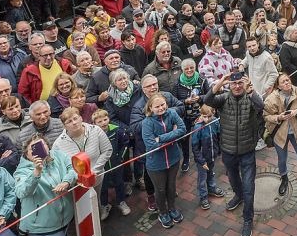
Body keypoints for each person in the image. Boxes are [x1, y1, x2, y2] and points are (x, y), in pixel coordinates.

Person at [204, 73, 263, 236]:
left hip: (247, 150)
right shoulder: (223, 99)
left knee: (249, 186)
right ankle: (238, 195)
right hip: (228, 150)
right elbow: (208, 100)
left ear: (245, 84)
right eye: (234, 83)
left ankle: (247, 220)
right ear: (229, 85)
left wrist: (251, 92)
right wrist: (221, 82)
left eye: (240, 83)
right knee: (232, 177)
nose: (237, 86)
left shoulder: (250, 97)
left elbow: (261, 106)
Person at [14, 135, 76, 236]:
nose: (39, 151)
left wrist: (66, 182)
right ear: (27, 154)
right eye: (34, 149)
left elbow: (72, 169)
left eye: (42, 146)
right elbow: (21, 192)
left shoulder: (58, 155)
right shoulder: (22, 171)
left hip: (63, 218)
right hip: (41, 226)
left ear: (48, 146)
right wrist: (36, 172)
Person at [263, 74, 297, 197]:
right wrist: (279, 117)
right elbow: (266, 116)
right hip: (280, 134)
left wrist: (296, 111)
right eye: (283, 82)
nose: (287, 82)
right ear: (279, 86)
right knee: (282, 160)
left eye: (287, 80)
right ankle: (284, 179)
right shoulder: (271, 99)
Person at [141, 93, 186, 229]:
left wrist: (160, 138)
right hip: (156, 164)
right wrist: (173, 136)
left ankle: (172, 208)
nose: (161, 108)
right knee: (160, 190)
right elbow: (151, 145)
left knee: (171, 186)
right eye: (157, 106)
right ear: (150, 108)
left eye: (163, 105)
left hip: (173, 159)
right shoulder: (147, 123)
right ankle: (163, 212)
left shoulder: (172, 113)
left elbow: (182, 129)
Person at [53, 108, 112, 191]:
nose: (74, 122)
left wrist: (95, 170)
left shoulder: (95, 130)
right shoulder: (58, 144)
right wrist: (70, 179)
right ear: (64, 126)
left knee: (96, 200)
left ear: (81, 118)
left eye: (75, 118)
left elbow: (107, 150)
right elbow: (58, 165)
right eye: (69, 121)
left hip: (96, 177)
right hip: (74, 184)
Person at [92, 109, 131, 220]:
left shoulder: (117, 131)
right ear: (94, 124)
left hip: (116, 164)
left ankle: (121, 202)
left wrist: (121, 158)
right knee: (103, 187)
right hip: (102, 167)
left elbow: (125, 144)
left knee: (119, 183)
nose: (104, 123)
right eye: (100, 121)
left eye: (105, 119)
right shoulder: (93, 135)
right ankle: (104, 205)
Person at [190, 105, 226, 210]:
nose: (206, 119)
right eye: (204, 116)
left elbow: (218, 137)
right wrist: (201, 161)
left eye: (209, 116)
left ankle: (212, 188)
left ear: (213, 113)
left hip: (212, 155)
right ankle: (203, 197)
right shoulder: (197, 127)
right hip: (203, 159)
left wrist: (218, 150)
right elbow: (195, 147)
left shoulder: (215, 122)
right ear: (201, 114)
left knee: (211, 173)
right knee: (202, 179)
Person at [277, 27, 297, 91]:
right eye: (296, 33)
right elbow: (286, 64)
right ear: (289, 35)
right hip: (293, 76)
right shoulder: (285, 47)